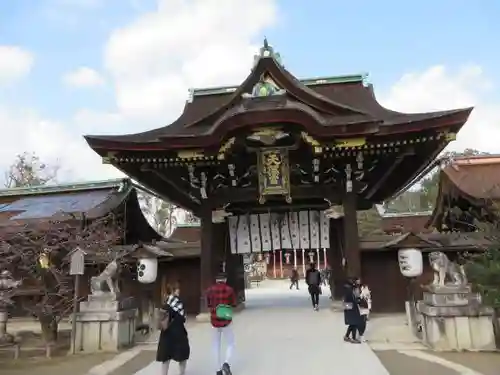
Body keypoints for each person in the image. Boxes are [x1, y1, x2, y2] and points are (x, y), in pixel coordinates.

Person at [206, 272, 237, 375]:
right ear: (225, 280)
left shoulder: (210, 290)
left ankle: (218, 370)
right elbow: (233, 304)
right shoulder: (229, 290)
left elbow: (209, 304)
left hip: (214, 321)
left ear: (216, 280)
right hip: (226, 320)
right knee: (231, 343)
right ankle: (226, 363)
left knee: (216, 345)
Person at [156, 284, 190, 375]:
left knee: (165, 357)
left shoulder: (165, 302)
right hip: (178, 332)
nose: (179, 291)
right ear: (174, 291)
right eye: (177, 289)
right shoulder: (179, 302)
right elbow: (183, 318)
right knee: (182, 355)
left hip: (166, 333)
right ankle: (182, 373)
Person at [343, 277, 362, 344]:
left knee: (353, 323)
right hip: (351, 307)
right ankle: (353, 338)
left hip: (350, 307)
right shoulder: (350, 289)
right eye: (357, 281)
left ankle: (346, 336)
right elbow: (351, 299)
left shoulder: (350, 288)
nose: (358, 282)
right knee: (354, 322)